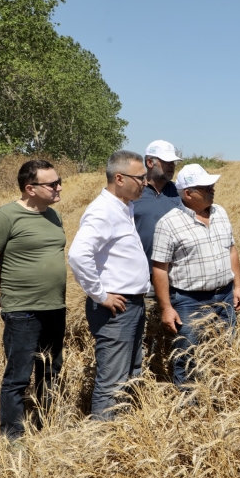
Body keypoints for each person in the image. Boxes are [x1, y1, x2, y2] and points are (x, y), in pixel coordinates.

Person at [0, 160, 67, 441]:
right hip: (23, 311)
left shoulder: (54, 216)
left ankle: (45, 425)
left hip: (55, 306)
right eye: (52, 184)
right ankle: (13, 437)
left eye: (59, 181)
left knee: (51, 370)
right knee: (18, 377)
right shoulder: (4, 217)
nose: (59, 187)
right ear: (30, 188)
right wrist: (10, 291)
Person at [68, 150, 151, 420]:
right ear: (119, 178)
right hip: (117, 308)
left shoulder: (124, 207)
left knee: (130, 372)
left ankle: (122, 431)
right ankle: (103, 441)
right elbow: (79, 255)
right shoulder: (103, 211)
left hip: (132, 304)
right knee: (113, 380)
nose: (145, 183)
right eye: (140, 178)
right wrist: (101, 295)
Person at [151, 164, 240, 388]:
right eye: (206, 187)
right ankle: (190, 408)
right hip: (188, 302)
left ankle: (220, 399)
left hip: (224, 297)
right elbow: (160, 268)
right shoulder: (168, 223)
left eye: (212, 185)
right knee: (187, 358)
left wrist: (238, 287)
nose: (212, 189)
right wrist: (166, 308)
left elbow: (231, 250)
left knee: (223, 352)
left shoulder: (220, 213)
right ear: (188, 193)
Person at [133, 140, 183, 266]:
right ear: (149, 162)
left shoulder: (180, 193)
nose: (172, 165)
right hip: (141, 274)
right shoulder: (132, 193)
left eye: (173, 162)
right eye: (166, 161)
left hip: (175, 274)